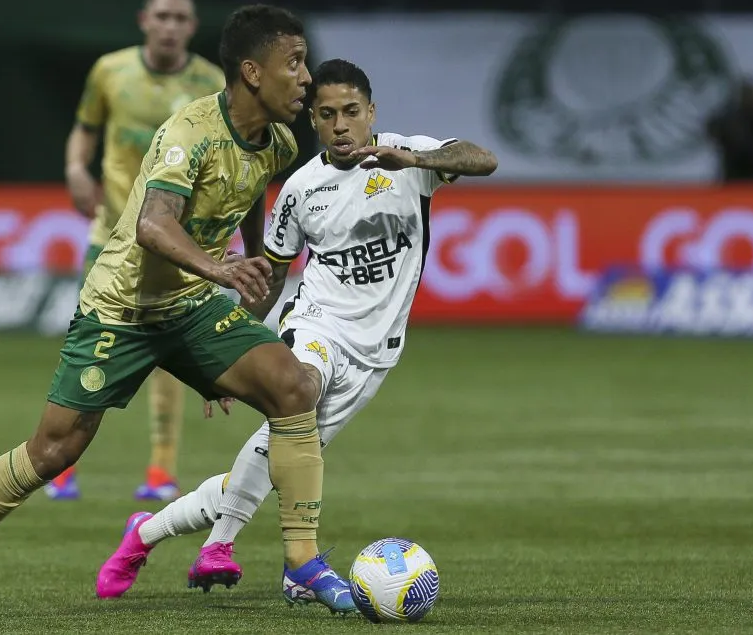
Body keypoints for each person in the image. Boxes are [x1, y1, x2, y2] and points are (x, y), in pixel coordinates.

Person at [0, 4, 352, 621]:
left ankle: (303, 560)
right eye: (292, 63)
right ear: (252, 72)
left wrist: (236, 344)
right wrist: (219, 272)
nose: (305, 77)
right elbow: (153, 225)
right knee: (55, 450)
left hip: (192, 310)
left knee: (292, 386)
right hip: (121, 309)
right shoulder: (191, 132)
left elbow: (248, 222)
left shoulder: (279, 144)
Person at [94, 58, 497, 609]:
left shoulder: (411, 158)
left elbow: (484, 160)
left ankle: (148, 534)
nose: (341, 125)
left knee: (272, 463)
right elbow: (270, 279)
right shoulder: (301, 189)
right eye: (327, 114)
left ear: (371, 112)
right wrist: (235, 352)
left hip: (376, 354)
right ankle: (259, 554)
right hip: (315, 329)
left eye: (352, 112)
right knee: (299, 391)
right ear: (314, 121)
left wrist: (417, 158)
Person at [54, 0, 226, 502]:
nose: (170, 27)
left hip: (171, 241)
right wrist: (76, 168)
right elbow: (86, 126)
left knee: (166, 354)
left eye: (181, 19)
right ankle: (59, 465)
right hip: (110, 234)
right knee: (87, 349)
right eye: (162, 17)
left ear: (192, 27)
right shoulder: (110, 71)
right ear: (144, 21)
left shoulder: (212, 83)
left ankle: (160, 471)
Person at [705, 76, 753, 184]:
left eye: (749, 94)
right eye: (744, 94)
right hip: (731, 180)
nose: (746, 98)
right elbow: (712, 130)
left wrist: (742, 140)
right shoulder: (729, 116)